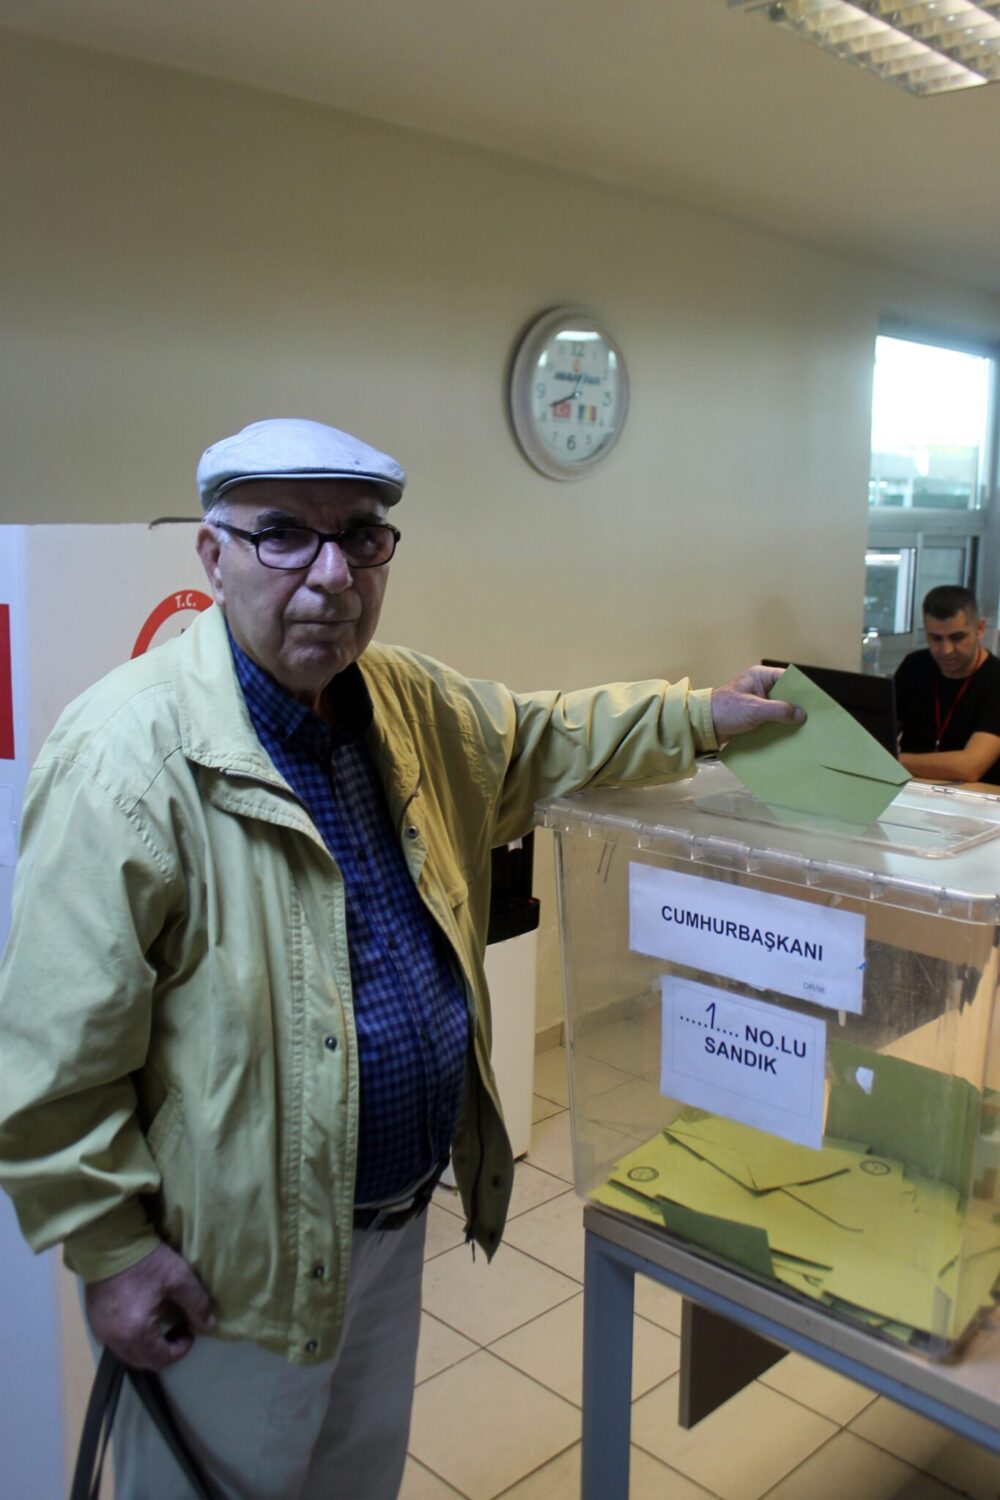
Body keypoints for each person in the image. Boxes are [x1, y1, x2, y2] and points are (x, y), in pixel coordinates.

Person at [0, 418, 804, 1500]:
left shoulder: (408, 702)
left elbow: (534, 738)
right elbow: (53, 1053)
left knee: (351, 1480)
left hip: (386, 1229)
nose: (330, 574)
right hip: (228, 1267)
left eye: (360, 536)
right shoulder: (122, 757)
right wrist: (108, 1248)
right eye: (283, 534)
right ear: (212, 555)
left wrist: (701, 716)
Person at [895, 584, 1000, 786]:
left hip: (975, 801)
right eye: (935, 638)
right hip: (912, 790)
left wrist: (895, 761)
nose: (946, 650)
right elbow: (876, 737)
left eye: (957, 637)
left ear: (980, 629)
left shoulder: (995, 679)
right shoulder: (914, 666)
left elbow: (970, 766)